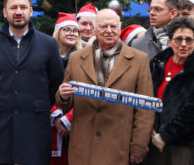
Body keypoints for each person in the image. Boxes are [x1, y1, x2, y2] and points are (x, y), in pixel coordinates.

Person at [57, 9, 155, 165]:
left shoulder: (139, 60)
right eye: (103, 26)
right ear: (95, 29)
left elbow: (145, 110)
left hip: (118, 148)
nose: (109, 31)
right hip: (82, 148)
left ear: (120, 28)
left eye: (113, 26)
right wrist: (63, 96)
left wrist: (139, 147)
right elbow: (64, 102)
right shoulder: (76, 58)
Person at [0, 0, 64, 165]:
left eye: (23, 7)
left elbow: (57, 82)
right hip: (2, 124)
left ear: (31, 11)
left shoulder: (48, 44)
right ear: (5, 12)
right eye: (13, 7)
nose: (18, 11)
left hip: (35, 124)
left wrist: (37, 102)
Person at [144, 17, 194, 165]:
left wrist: (165, 136)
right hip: (152, 142)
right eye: (178, 39)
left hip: (184, 146)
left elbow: (193, 111)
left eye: (189, 40)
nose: (183, 44)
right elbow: (145, 98)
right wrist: (150, 131)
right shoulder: (156, 64)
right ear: (169, 42)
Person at [50, 12, 81, 165]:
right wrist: (55, 117)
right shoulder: (47, 57)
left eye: (75, 30)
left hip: (77, 121)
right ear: (58, 32)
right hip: (49, 122)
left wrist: (68, 119)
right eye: (66, 29)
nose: (71, 33)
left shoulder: (84, 58)